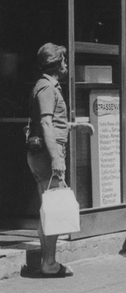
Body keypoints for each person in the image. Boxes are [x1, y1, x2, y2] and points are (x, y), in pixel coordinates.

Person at [26, 43, 73, 278]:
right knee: (52, 209)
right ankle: (50, 263)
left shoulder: (48, 86)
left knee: (47, 208)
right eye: (64, 60)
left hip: (43, 153)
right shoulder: (47, 88)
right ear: (56, 63)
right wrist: (56, 158)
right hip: (47, 154)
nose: (66, 64)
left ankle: (47, 259)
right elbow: (46, 123)